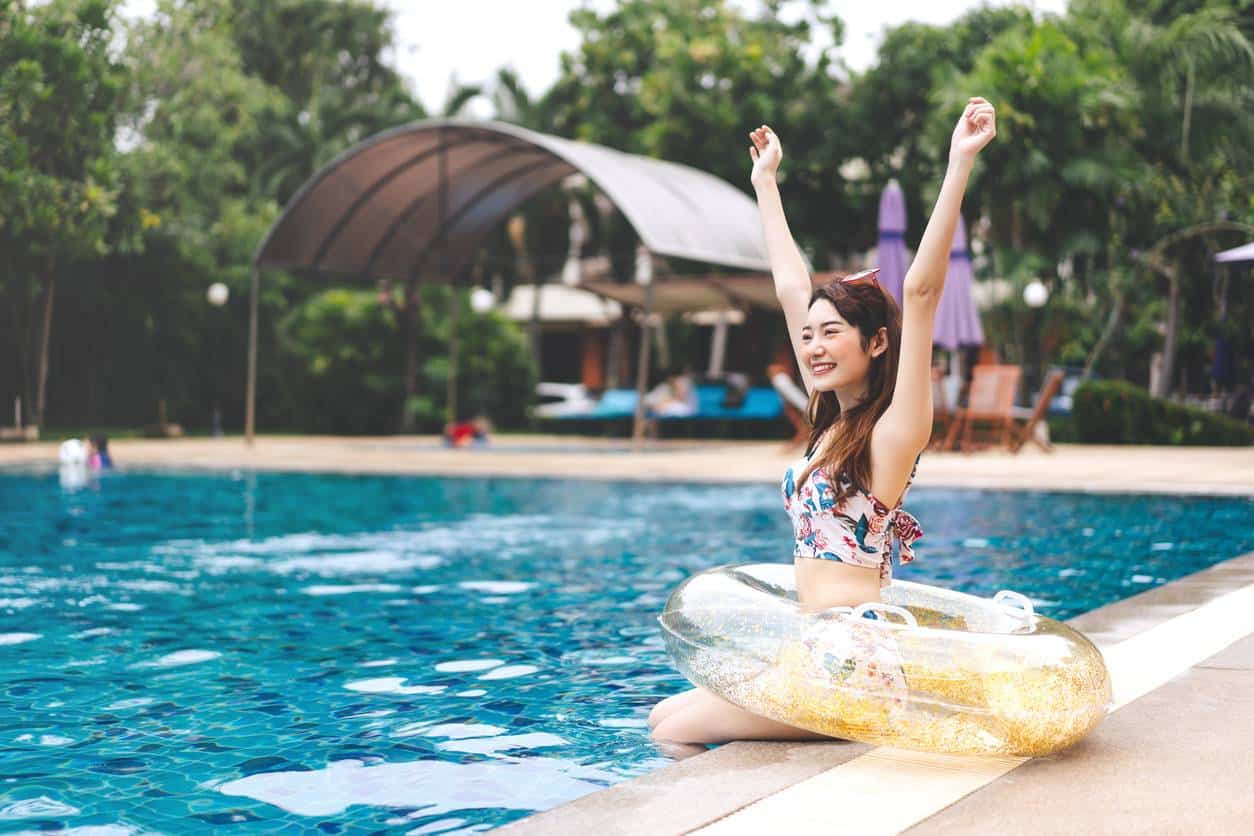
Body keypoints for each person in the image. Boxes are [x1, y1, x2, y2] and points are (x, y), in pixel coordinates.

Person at [648, 97, 997, 745]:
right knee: (668, 715)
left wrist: (959, 163)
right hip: (819, 645)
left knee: (672, 732)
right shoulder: (829, 421)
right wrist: (766, 185)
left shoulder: (894, 435)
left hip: (852, 660)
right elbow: (790, 284)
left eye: (831, 332)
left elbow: (920, 295)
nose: (812, 344)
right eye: (808, 335)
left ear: (877, 344)